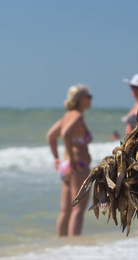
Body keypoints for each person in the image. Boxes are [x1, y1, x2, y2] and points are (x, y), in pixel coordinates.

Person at [46, 84, 93, 237]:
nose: (91, 99)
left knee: (65, 211)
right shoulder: (77, 116)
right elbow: (65, 134)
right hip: (78, 166)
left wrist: (57, 159)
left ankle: (63, 248)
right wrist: (73, 159)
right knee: (78, 210)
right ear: (80, 99)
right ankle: (74, 248)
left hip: (66, 167)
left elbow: (50, 136)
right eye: (88, 96)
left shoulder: (66, 116)